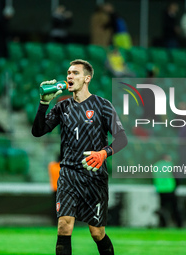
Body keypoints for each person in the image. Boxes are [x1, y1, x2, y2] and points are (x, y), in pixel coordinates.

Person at [32, 59, 128, 255]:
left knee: (97, 232)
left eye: (75, 73)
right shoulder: (61, 107)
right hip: (68, 174)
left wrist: (103, 153)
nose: (69, 76)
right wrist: (43, 104)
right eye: (68, 73)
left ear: (87, 78)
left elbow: (122, 139)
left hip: (94, 176)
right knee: (64, 226)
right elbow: (38, 131)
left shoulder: (103, 106)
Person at [152, 154, 183, 228]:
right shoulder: (170, 165)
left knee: (162, 208)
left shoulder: (156, 165)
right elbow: (176, 176)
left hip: (160, 189)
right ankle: (179, 224)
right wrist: (176, 185)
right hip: (170, 189)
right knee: (174, 208)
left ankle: (162, 224)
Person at [48, 155, 61, 225]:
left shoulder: (52, 166)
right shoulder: (62, 167)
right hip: (62, 190)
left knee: (55, 207)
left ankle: (55, 222)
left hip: (54, 189)